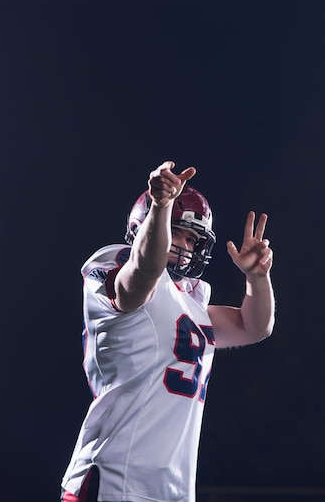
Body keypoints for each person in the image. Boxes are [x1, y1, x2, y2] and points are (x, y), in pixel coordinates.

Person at [61, 161, 275, 502]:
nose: (185, 246)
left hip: (171, 487)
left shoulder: (191, 300)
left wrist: (257, 278)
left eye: (192, 239)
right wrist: (162, 206)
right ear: (143, 225)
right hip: (115, 476)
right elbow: (144, 271)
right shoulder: (119, 272)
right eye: (177, 231)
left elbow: (254, 326)